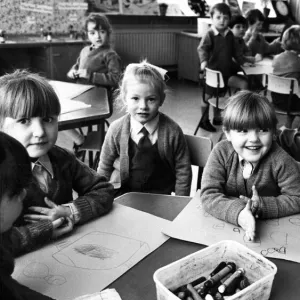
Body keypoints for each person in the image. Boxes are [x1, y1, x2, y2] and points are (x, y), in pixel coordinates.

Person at [0, 70, 114, 256]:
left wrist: (71, 211)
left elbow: (104, 189)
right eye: (24, 120)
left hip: (71, 252)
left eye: (48, 119)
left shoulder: (62, 158)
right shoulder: (2, 171)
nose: (40, 132)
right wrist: (42, 231)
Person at [0, 133, 115, 300]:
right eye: (16, 193)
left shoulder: (62, 157)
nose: (23, 193)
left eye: (48, 119)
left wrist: (53, 224)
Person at [200, 91, 300, 241]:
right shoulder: (221, 152)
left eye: (262, 130)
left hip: (273, 236)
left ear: (273, 132)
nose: (253, 139)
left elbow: (297, 198)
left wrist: (260, 206)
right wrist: (240, 214)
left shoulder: (281, 160)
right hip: (224, 231)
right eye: (242, 130)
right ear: (227, 133)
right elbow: (209, 194)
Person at [97, 61, 192, 197]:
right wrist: (100, 196)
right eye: (135, 98)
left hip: (161, 198)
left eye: (151, 99)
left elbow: (183, 171)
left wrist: (179, 203)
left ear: (161, 99)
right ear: (125, 99)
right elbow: (104, 167)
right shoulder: (116, 129)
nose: (143, 106)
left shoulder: (173, 131)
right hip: (125, 196)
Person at [66, 13, 122, 152]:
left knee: (61, 118)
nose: (97, 36)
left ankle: (80, 141)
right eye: (92, 33)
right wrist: (72, 72)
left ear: (108, 33)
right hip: (81, 96)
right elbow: (77, 66)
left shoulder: (110, 54)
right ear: (87, 35)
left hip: (98, 102)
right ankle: (80, 140)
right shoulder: (85, 50)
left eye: (102, 32)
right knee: (55, 114)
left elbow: (116, 78)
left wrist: (91, 76)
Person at [197, 3, 248, 132]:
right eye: (218, 17)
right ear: (212, 19)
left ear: (229, 20)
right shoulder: (210, 34)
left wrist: (242, 61)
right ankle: (203, 120)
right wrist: (203, 62)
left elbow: (236, 52)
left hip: (225, 72)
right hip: (212, 73)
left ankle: (217, 118)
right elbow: (202, 48)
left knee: (220, 95)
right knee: (207, 98)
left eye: (225, 18)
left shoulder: (230, 35)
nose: (222, 20)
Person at [272, 25, 300, 128]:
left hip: (277, 100)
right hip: (292, 103)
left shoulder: (276, 58)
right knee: (295, 92)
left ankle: (288, 125)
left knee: (292, 90)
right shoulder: (298, 62)